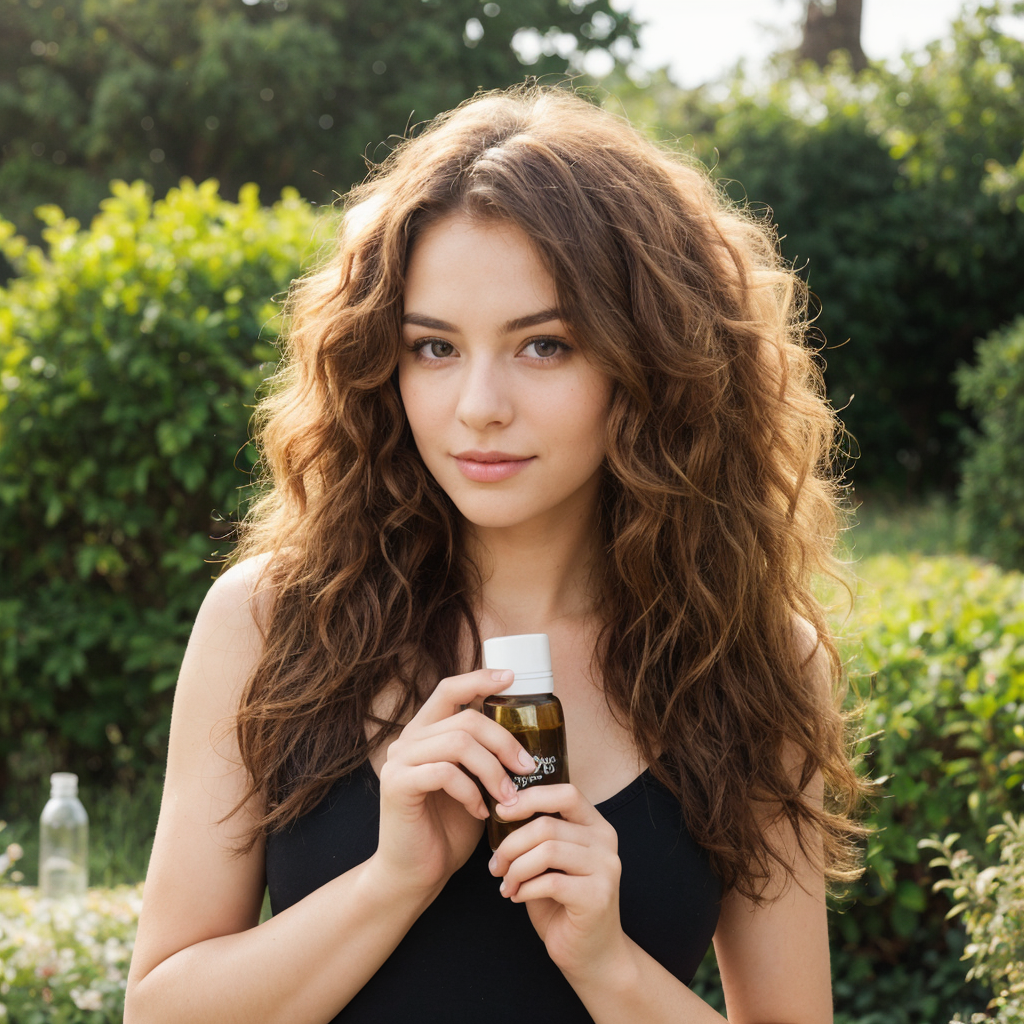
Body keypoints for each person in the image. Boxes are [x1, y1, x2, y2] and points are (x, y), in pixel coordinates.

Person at [125, 84, 869, 1024]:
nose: (478, 404)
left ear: (651, 363)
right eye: (434, 348)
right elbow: (158, 1012)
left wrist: (607, 964)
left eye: (544, 345)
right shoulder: (269, 624)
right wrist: (393, 882)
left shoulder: (758, 665)